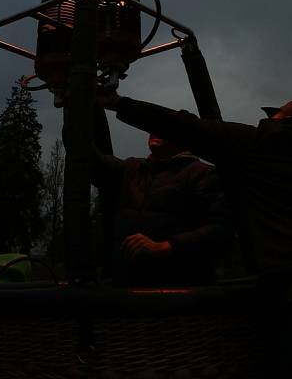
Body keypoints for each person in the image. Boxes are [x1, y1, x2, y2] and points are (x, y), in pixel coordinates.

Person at [100, 93, 292, 377]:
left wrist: (116, 102)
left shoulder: (262, 143)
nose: (269, 120)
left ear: (288, 120)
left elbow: (187, 127)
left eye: (275, 116)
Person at [92, 115, 233, 287]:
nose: (153, 132)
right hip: (124, 289)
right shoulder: (131, 169)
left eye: (164, 128)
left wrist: (166, 247)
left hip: (182, 291)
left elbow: (222, 230)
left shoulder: (203, 174)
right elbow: (88, 159)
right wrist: (77, 108)